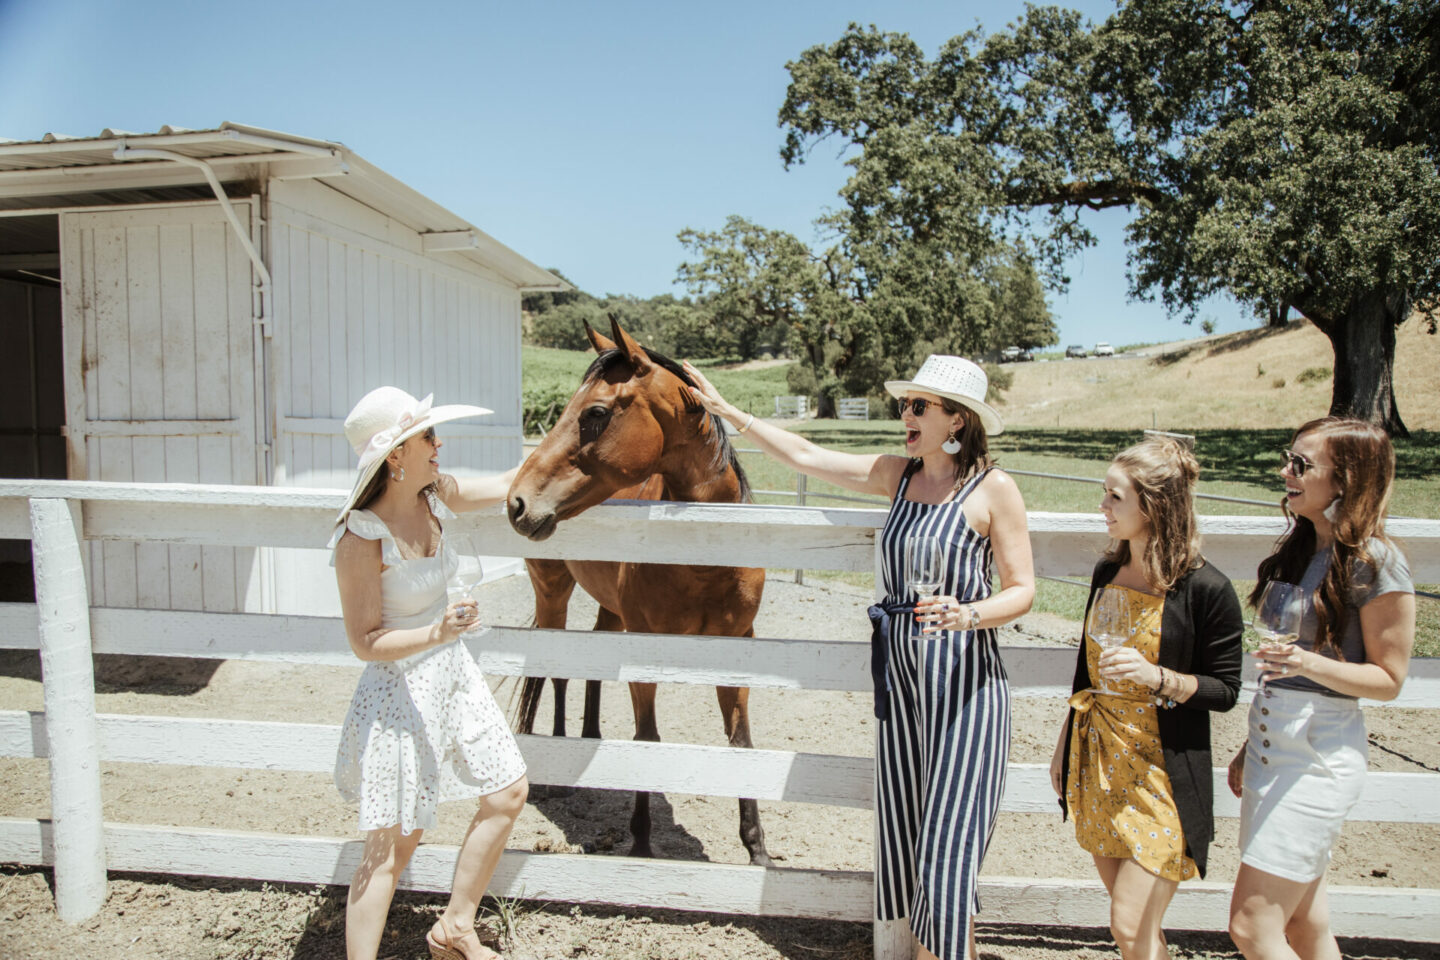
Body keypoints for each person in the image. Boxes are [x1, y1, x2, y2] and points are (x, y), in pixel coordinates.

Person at [684, 355, 1034, 960]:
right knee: (911, 839)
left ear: (958, 420)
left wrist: (969, 613)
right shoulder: (897, 474)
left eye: (920, 406)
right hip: (900, 686)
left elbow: (1023, 589)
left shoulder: (993, 489)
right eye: (907, 403)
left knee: (949, 852)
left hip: (965, 687)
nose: (906, 413)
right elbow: (807, 457)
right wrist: (731, 413)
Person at [329, 386, 529, 960]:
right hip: (400, 689)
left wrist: (571, 459)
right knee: (393, 844)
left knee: (508, 791)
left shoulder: (435, 494)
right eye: (427, 437)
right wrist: (436, 632)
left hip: (454, 672)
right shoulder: (359, 537)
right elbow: (365, 642)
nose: (439, 445)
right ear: (395, 455)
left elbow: (506, 484)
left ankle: (455, 928)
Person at [1226, 417, 1416, 960]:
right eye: (1289, 458)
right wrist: (1250, 745)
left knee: (1250, 926)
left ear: (1345, 480)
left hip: (1317, 758)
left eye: (1301, 465)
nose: (1285, 471)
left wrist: (1304, 661)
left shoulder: (1377, 563)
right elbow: (1284, 673)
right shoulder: (1302, 548)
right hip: (1273, 749)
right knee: (1305, 926)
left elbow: (1389, 680)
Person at [1049, 436, 1243, 960]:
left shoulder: (1207, 589)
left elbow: (1226, 690)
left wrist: (1158, 677)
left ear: (1153, 507)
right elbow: (1084, 674)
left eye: (1115, 497)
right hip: (1100, 762)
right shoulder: (1107, 573)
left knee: (1128, 922)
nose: (1102, 508)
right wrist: (1064, 746)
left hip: (1163, 774)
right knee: (1139, 935)